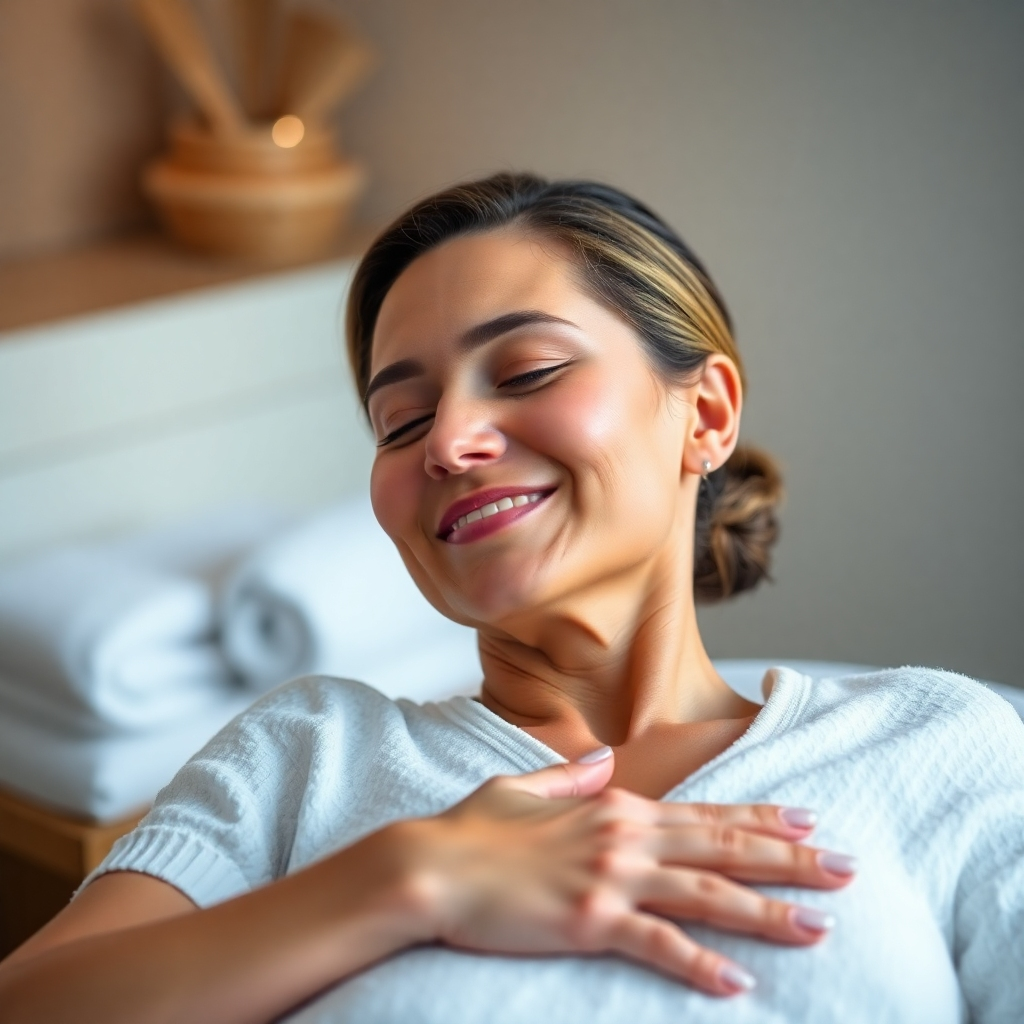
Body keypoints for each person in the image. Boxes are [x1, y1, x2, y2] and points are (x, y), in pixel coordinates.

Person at [1, 174, 1021, 1024]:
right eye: (400, 421)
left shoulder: (940, 740)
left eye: (527, 369)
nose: (447, 441)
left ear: (703, 414)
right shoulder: (304, 755)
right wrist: (411, 879)